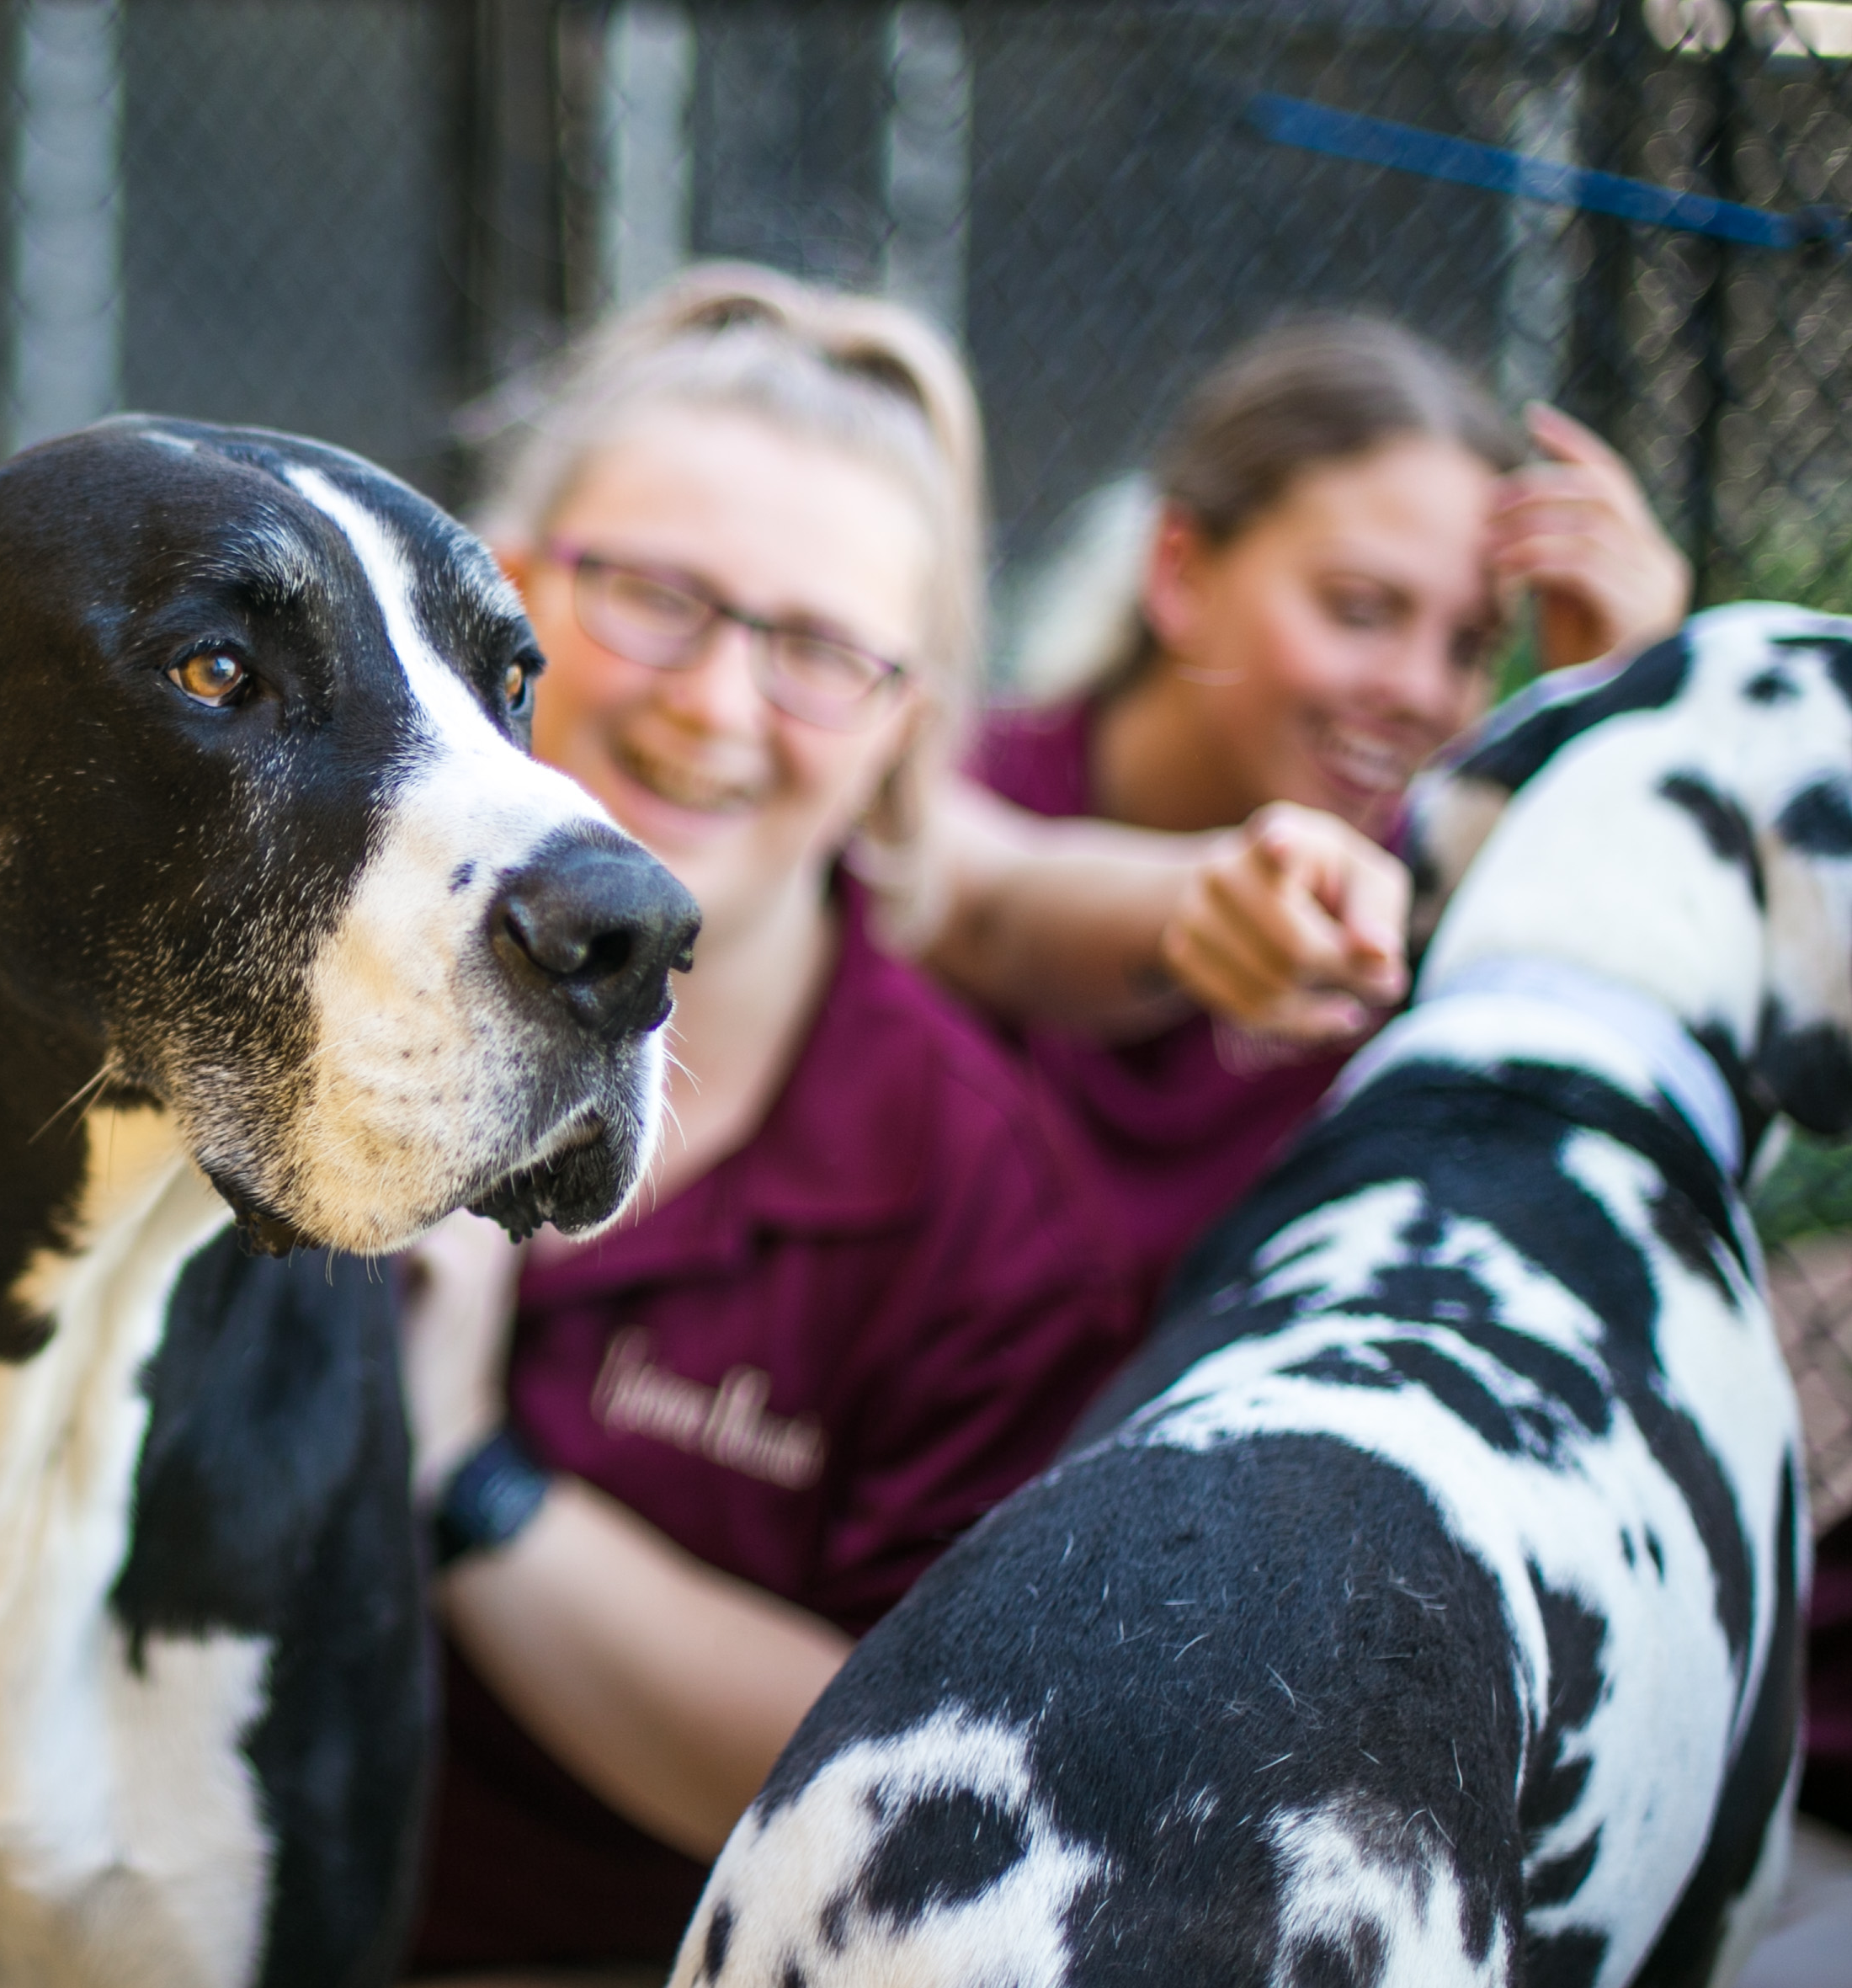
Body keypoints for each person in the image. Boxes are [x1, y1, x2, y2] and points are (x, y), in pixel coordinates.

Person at [394, 266, 1148, 1982]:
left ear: (904, 728)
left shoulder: (973, 1205)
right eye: (652, 597)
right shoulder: (303, 984)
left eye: (814, 650)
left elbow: (910, 1780)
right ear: (493, 594)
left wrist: (464, 1481)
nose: (713, 707)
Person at [920, 315, 1692, 1300]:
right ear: (1180, 572)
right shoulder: (953, 791)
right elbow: (987, 906)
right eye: (1359, 610)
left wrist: (1610, 727)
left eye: (1470, 649)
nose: (1420, 691)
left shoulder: (1436, 908)